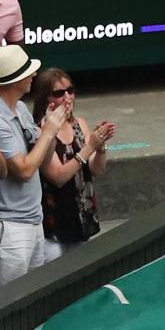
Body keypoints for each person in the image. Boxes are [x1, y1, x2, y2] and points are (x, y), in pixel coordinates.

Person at [0, 44, 67, 285]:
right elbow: (24, 170)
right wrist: (48, 132)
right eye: (28, 71)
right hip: (10, 227)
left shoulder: (20, 108)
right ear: (14, 80)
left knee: (32, 296)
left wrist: (50, 131)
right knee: (10, 302)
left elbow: (42, 159)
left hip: (33, 220)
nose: (34, 76)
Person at [29, 69, 110, 265]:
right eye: (59, 93)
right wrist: (89, 147)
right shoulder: (41, 131)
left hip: (80, 215)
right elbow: (57, 177)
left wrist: (100, 148)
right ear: (46, 98)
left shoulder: (79, 124)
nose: (67, 97)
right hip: (55, 220)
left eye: (70, 90)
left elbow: (95, 170)